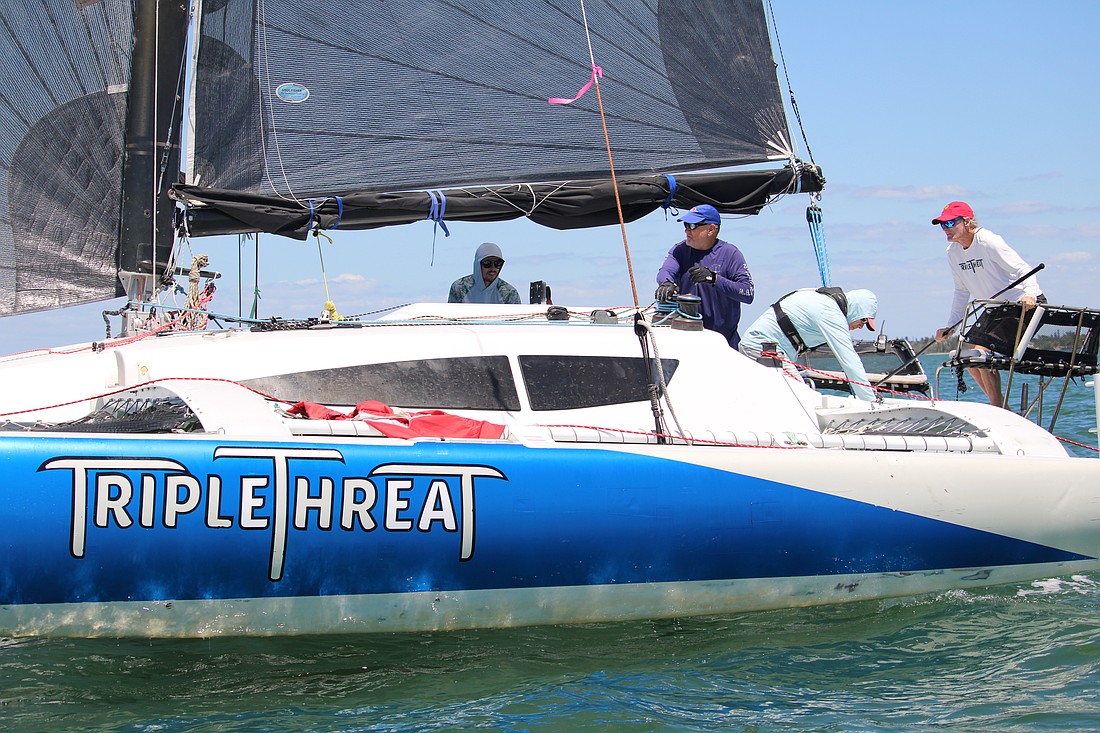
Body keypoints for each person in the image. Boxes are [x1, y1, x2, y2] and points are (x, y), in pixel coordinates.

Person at [931, 201, 1044, 408]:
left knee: (981, 352)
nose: (946, 229)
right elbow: (961, 290)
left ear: (967, 222)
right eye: (942, 225)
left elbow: (1023, 269)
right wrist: (951, 326)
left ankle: (997, 408)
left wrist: (1029, 294)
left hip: (1022, 306)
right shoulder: (952, 252)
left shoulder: (988, 240)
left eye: (950, 223)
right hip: (995, 311)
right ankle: (1002, 407)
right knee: (966, 356)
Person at [738, 288, 880, 402]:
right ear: (856, 311)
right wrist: (869, 399)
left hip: (760, 347)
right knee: (804, 400)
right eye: (863, 321)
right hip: (762, 349)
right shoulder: (831, 313)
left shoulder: (823, 301)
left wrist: (865, 389)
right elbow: (849, 360)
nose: (861, 327)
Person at [655, 204, 754, 348]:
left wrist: (714, 279)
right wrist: (666, 283)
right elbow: (665, 272)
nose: (687, 230)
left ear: (711, 229)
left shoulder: (731, 254)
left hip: (724, 344)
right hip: (687, 341)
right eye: (686, 224)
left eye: (693, 225)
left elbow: (748, 293)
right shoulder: (679, 250)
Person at [448, 242, 521, 304]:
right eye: (487, 263)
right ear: (477, 264)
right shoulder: (459, 288)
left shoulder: (510, 293)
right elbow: (451, 319)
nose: (493, 268)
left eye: (497, 263)